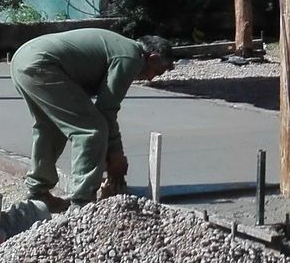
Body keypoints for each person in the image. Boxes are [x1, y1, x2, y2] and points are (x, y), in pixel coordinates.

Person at [9, 29, 173, 208]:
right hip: (44, 64)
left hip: (23, 60)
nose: (150, 78)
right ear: (153, 58)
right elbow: (107, 109)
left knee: (50, 127)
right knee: (91, 130)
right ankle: (82, 201)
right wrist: (116, 154)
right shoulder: (131, 58)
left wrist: (110, 153)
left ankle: (38, 194)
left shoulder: (122, 46)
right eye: (156, 72)